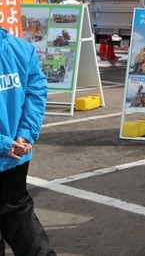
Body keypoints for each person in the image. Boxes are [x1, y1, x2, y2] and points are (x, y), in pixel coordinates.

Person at [0, 26, 56, 255]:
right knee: (18, 213)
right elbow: (37, 92)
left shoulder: (20, 48)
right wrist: (24, 135)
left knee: (18, 212)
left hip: (11, 151)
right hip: (16, 154)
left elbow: (36, 90)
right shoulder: (21, 48)